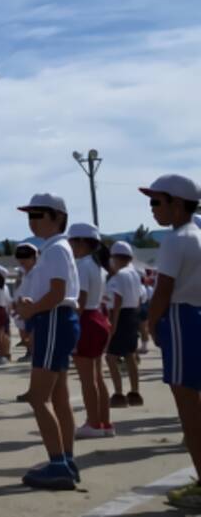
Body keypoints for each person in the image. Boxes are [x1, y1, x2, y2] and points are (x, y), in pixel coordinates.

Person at [141, 174, 201, 511]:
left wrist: (151, 322)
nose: (152, 209)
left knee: (189, 410)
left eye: (156, 201)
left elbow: (163, 290)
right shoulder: (197, 236)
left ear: (177, 204)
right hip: (196, 314)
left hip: (180, 318)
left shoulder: (176, 240)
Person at [13, 193, 81, 490]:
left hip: (54, 319)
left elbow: (56, 293)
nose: (32, 220)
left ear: (57, 217)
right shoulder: (56, 248)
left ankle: (58, 464)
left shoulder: (53, 250)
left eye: (39, 214)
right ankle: (66, 458)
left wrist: (31, 308)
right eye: (30, 214)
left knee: (38, 397)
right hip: (58, 319)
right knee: (59, 397)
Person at [67, 223, 112, 439]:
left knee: (88, 379)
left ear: (82, 242)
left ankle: (93, 423)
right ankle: (104, 422)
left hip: (86, 320)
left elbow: (81, 300)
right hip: (98, 319)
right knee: (98, 378)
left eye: (72, 241)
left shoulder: (82, 265)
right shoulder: (96, 265)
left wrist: (71, 326)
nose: (70, 246)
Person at [105, 240, 144, 410]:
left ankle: (119, 393)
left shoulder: (119, 275)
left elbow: (117, 300)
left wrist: (113, 325)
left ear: (114, 257)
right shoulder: (135, 273)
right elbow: (140, 298)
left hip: (120, 315)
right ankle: (135, 392)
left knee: (110, 357)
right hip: (132, 314)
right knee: (130, 355)